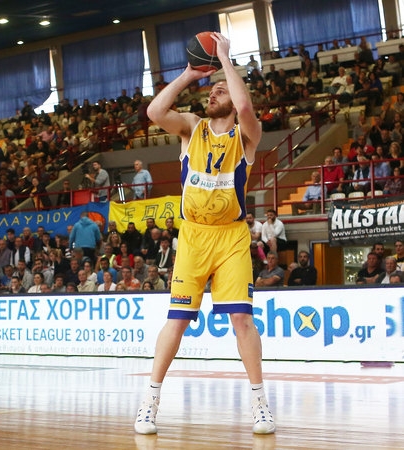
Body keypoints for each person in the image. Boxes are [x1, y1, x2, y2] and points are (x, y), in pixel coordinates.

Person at [134, 33, 275, 437]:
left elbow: (244, 106)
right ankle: (149, 403)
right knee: (176, 321)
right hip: (194, 237)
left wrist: (225, 58)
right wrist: (189, 74)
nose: (212, 93)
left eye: (220, 89)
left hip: (231, 238)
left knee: (241, 320)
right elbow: (154, 111)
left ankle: (260, 404)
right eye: (210, 90)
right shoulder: (191, 128)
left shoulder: (246, 135)